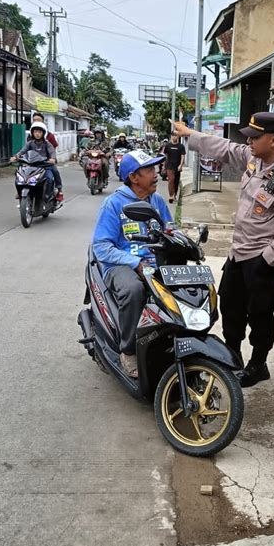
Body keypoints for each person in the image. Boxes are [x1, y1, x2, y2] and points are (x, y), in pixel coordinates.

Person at [173, 112, 274, 387]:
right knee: (230, 308)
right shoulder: (253, 158)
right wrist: (190, 135)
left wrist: (268, 259)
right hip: (238, 253)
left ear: (273, 140)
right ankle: (233, 359)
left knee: (260, 313)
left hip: (261, 259)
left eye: (255, 138)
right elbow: (225, 148)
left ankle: (258, 365)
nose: (249, 142)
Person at [92, 149, 172, 378]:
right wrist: (134, 262)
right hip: (120, 265)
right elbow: (101, 246)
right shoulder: (114, 203)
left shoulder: (156, 200)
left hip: (154, 261)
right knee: (133, 289)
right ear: (134, 177)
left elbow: (170, 228)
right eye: (149, 170)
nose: (156, 174)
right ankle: (127, 350)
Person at [11, 121, 57, 199]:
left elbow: (52, 152)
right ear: (32, 133)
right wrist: (16, 157)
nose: (37, 134)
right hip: (31, 165)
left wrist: (52, 159)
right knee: (19, 176)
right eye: (35, 132)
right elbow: (22, 151)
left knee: (50, 178)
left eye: (39, 132)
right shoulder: (30, 143)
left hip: (44, 166)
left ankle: (49, 194)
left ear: (43, 133)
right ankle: (19, 192)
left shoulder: (47, 144)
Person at [31, 112, 64, 202]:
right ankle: (21, 190)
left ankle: (59, 190)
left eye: (38, 120)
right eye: (34, 120)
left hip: (47, 162)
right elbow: (26, 149)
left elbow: (53, 148)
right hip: (33, 162)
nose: (36, 122)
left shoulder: (50, 136)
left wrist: (52, 158)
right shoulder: (31, 137)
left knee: (54, 172)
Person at [164, 132, 186, 203]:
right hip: (169, 166)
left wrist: (181, 165)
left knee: (176, 182)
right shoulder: (167, 146)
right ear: (171, 136)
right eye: (173, 135)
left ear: (178, 137)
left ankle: (175, 195)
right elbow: (166, 156)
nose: (174, 137)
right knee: (171, 180)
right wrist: (164, 166)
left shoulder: (181, 146)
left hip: (177, 167)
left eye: (176, 135)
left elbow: (182, 156)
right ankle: (171, 195)